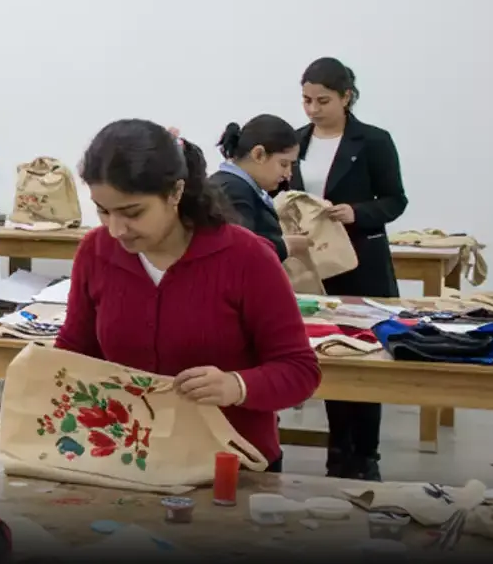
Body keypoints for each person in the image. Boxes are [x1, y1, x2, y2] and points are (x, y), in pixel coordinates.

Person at [57, 118, 320, 471]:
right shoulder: (97, 251)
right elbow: (74, 353)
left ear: (175, 193)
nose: (116, 229)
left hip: (233, 466)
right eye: (103, 211)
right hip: (128, 461)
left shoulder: (246, 257)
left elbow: (300, 370)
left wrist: (236, 386)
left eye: (133, 212)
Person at [288, 57, 405, 481]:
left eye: (322, 100)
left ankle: (366, 455)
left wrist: (357, 212)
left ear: (346, 97)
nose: (313, 109)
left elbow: (395, 200)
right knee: (328, 355)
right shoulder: (297, 142)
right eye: (306, 100)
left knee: (367, 356)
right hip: (314, 262)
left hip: (361, 260)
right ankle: (338, 452)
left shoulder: (372, 141)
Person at [211, 115, 305, 261]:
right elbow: (240, 251)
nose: (288, 174)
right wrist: (286, 246)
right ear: (258, 154)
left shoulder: (228, 184)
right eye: (284, 164)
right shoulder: (234, 191)